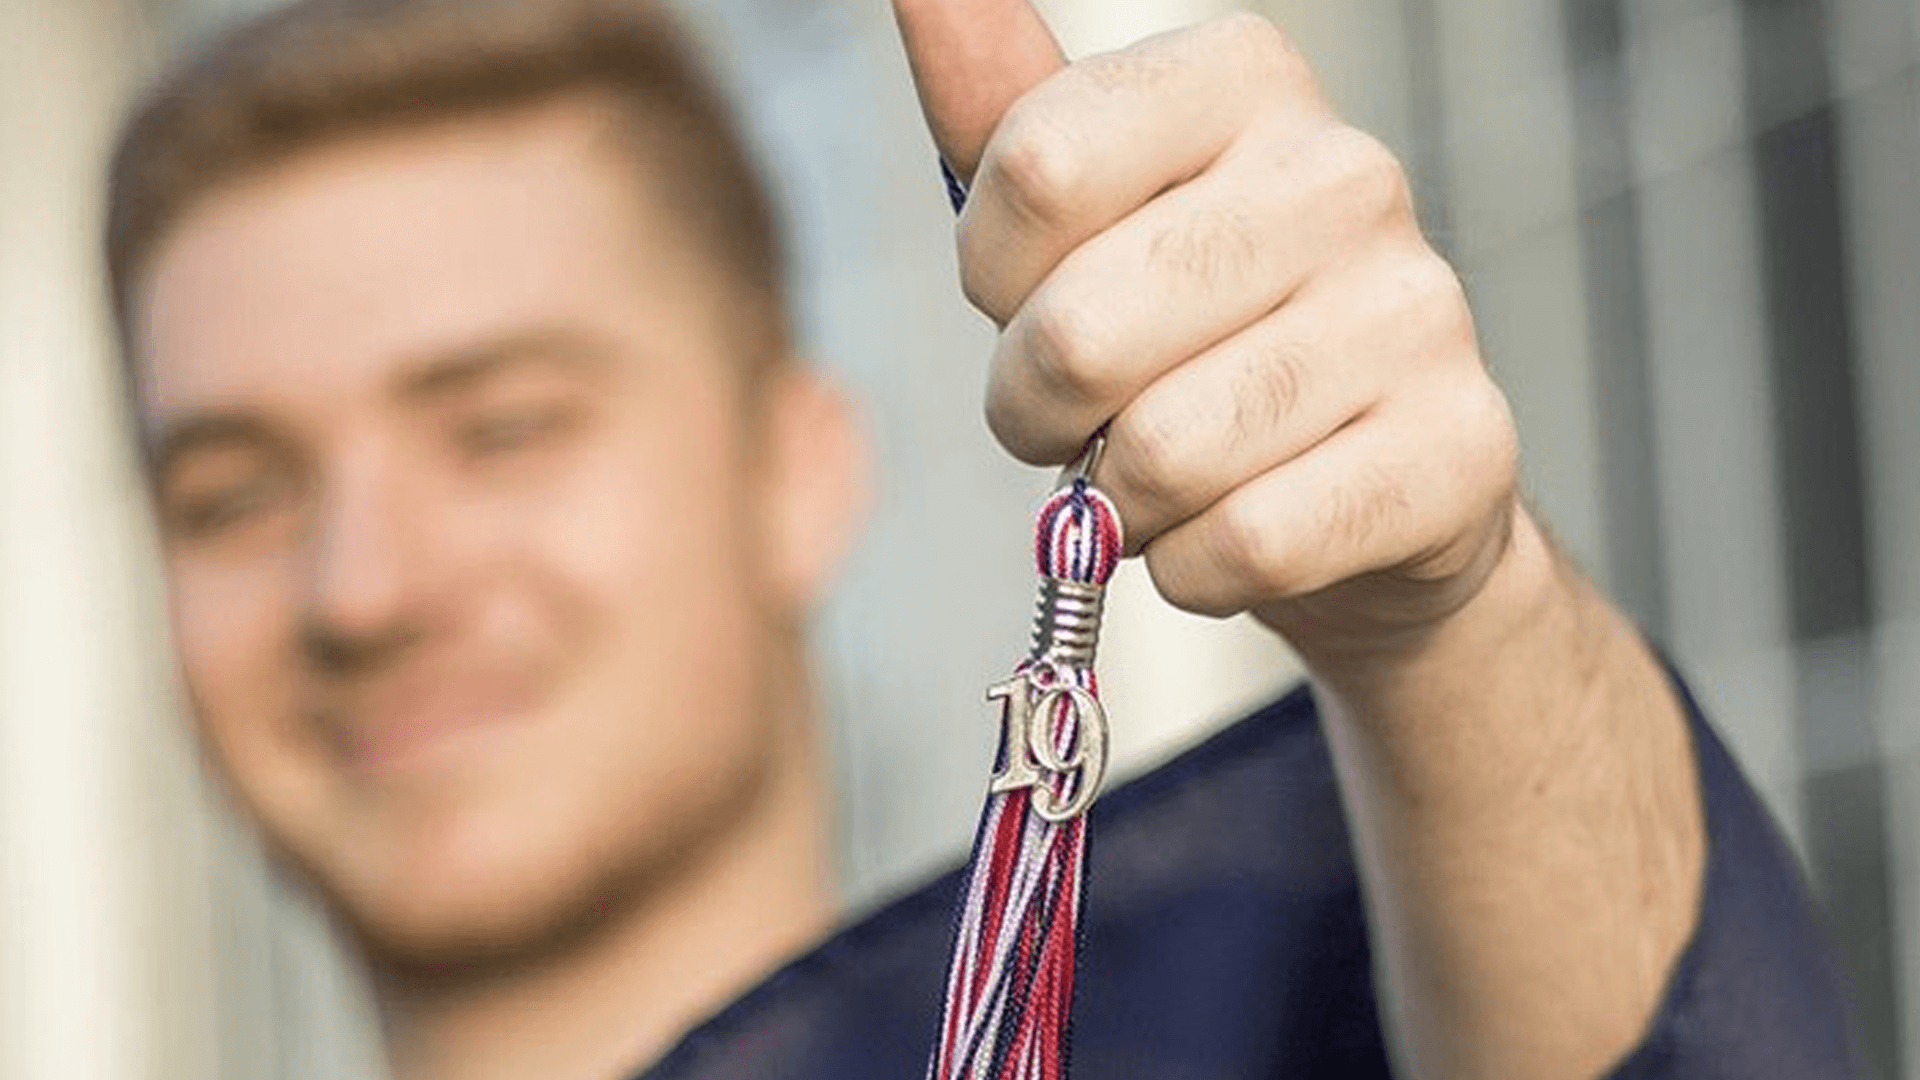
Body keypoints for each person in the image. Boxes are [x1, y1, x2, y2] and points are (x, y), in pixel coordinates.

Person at [107, 0, 1857, 1077]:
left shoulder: (1228, 1028)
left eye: (502, 427)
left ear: (800, 472)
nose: (361, 586)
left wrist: (1448, 624)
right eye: (235, 495)